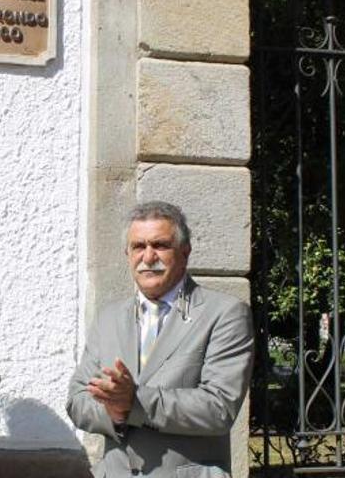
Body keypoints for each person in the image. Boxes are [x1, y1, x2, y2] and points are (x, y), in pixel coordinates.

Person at [67, 201, 254, 477]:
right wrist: (116, 415)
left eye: (160, 245)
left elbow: (219, 408)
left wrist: (135, 403)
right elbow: (77, 401)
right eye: (138, 247)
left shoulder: (224, 314)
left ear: (185, 252)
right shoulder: (108, 318)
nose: (148, 256)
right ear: (127, 254)